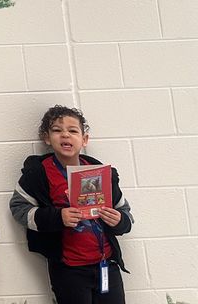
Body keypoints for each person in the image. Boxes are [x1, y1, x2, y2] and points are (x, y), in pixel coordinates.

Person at [9, 105, 133, 304]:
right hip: (69, 270)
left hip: (106, 264)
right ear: (47, 138)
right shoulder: (38, 173)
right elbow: (18, 209)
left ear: (84, 140)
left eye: (73, 130)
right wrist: (57, 217)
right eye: (57, 130)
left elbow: (124, 212)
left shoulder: (101, 172)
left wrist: (119, 221)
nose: (65, 135)